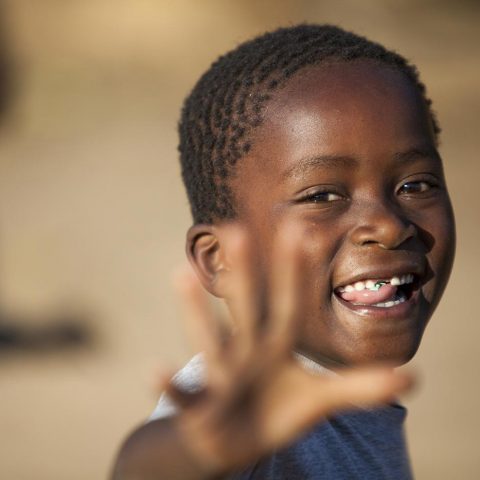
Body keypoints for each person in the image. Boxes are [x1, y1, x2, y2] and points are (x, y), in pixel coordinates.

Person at [111, 24, 455, 479]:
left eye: (416, 185)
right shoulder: (244, 410)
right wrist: (199, 448)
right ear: (221, 261)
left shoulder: (357, 401)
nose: (390, 226)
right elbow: (148, 467)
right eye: (321, 196)